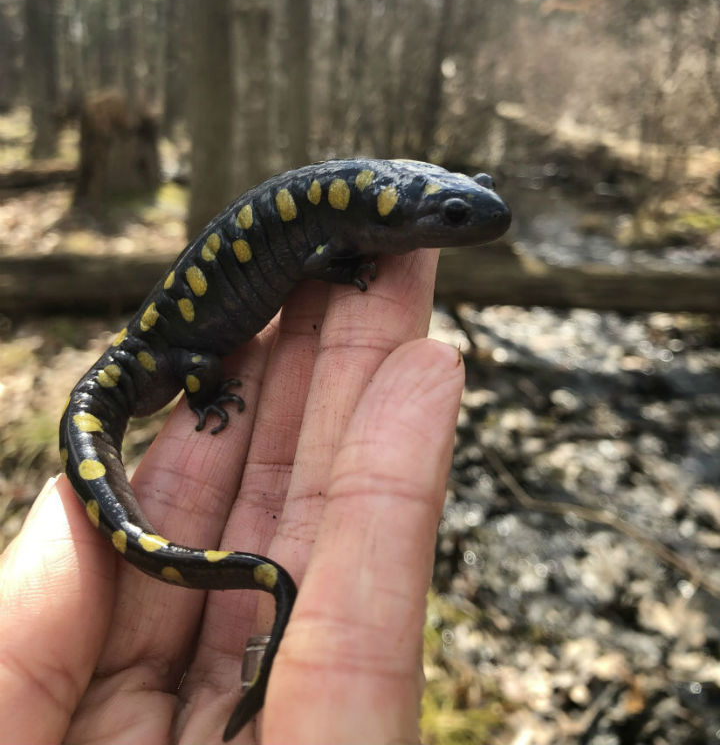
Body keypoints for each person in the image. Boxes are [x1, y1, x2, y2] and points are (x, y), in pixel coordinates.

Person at [0, 248, 465, 744]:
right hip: (159, 361)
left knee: (197, 362)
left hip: (156, 359)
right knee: (197, 364)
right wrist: (205, 394)